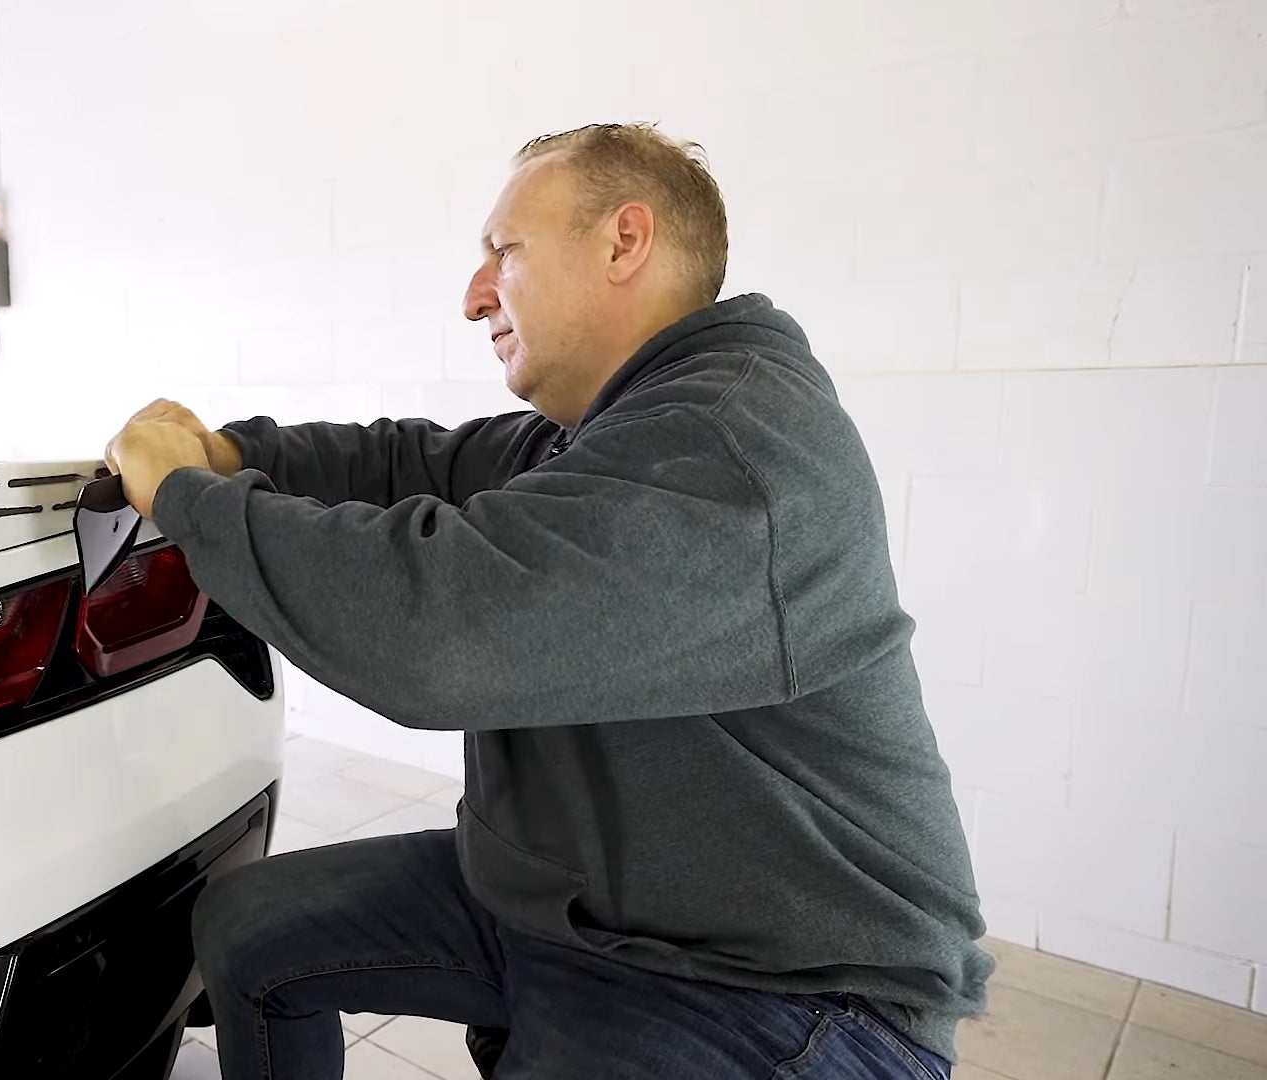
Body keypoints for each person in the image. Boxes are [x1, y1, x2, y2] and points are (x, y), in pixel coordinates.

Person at [103, 123, 990, 1079]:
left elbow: (440, 635)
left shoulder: (730, 447)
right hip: (590, 906)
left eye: (503, 251)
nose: (475, 293)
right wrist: (236, 452)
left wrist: (187, 499)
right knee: (249, 927)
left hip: (777, 987)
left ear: (624, 241)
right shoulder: (610, 429)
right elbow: (417, 464)